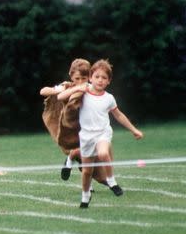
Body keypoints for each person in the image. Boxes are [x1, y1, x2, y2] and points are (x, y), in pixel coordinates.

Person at [58, 59, 144, 208]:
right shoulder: (84, 92)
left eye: (104, 78)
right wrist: (78, 89)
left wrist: (134, 130)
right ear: (91, 77)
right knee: (86, 172)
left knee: (103, 153)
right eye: (97, 77)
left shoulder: (109, 98)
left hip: (103, 133)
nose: (100, 80)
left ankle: (112, 181)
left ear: (109, 81)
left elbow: (119, 115)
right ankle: (85, 196)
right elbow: (60, 97)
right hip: (86, 136)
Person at [40, 58, 90, 180]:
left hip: (87, 125)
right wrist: (57, 90)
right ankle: (71, 160)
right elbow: (43, 91)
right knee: (83, 155)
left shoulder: (92, 87)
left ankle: (71, 163)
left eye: (84, 78)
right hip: (70, 127)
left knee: (89, 157)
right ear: (71, 76)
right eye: (77, 78)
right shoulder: (68, 86)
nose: (80, 81)